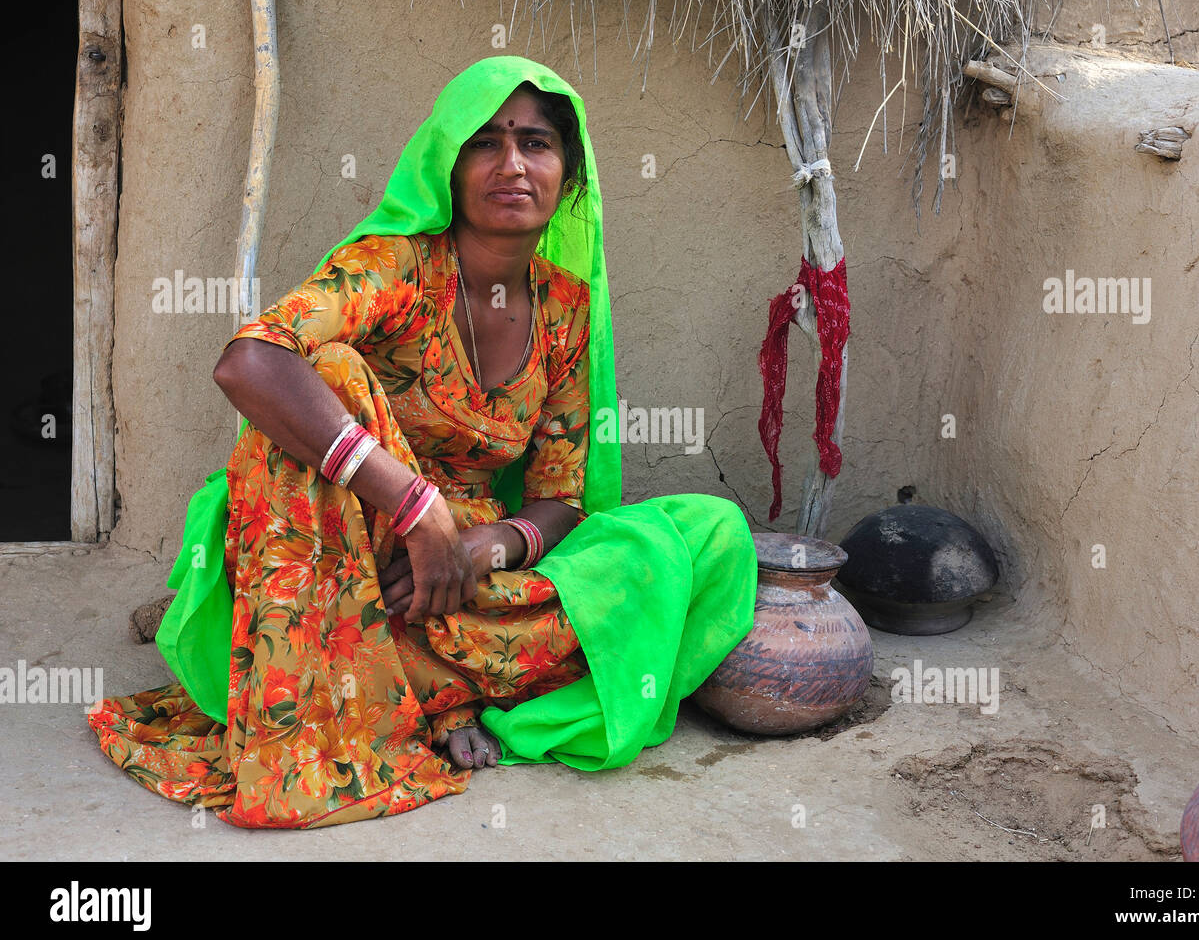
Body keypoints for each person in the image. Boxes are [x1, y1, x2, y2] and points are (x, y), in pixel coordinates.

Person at [87, 56, 758, 829]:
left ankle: (426, 685)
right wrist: (415, 506)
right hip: (345, 549)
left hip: (457, 578)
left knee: (710, 532)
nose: (512, 164)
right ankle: (387, 705)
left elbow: (559, 496)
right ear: (449, 163)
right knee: (328, 373)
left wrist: (488, 547)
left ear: (568, 175)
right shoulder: (396, 269)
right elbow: (250, 361)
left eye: (536, 143)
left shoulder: (566, 310)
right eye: (485, 142)